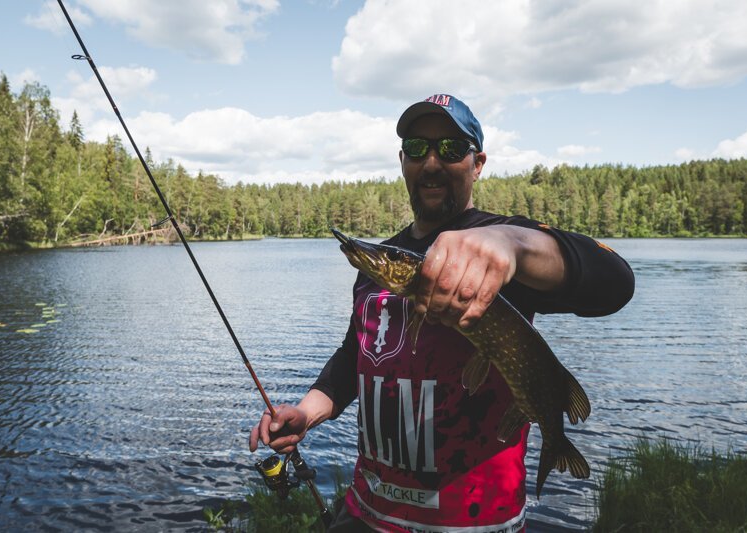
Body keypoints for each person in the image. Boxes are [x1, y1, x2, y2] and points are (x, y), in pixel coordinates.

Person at [249, 94, 635, 532]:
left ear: (478, 163)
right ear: (402, 161)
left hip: (471, 523)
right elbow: (354, 358)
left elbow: (616, 283)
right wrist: (307, 412)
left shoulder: (504, 244)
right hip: (366, 513)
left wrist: (514, 245)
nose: (431, 162)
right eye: (417, 148)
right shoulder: (384, 267)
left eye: (451, 149)